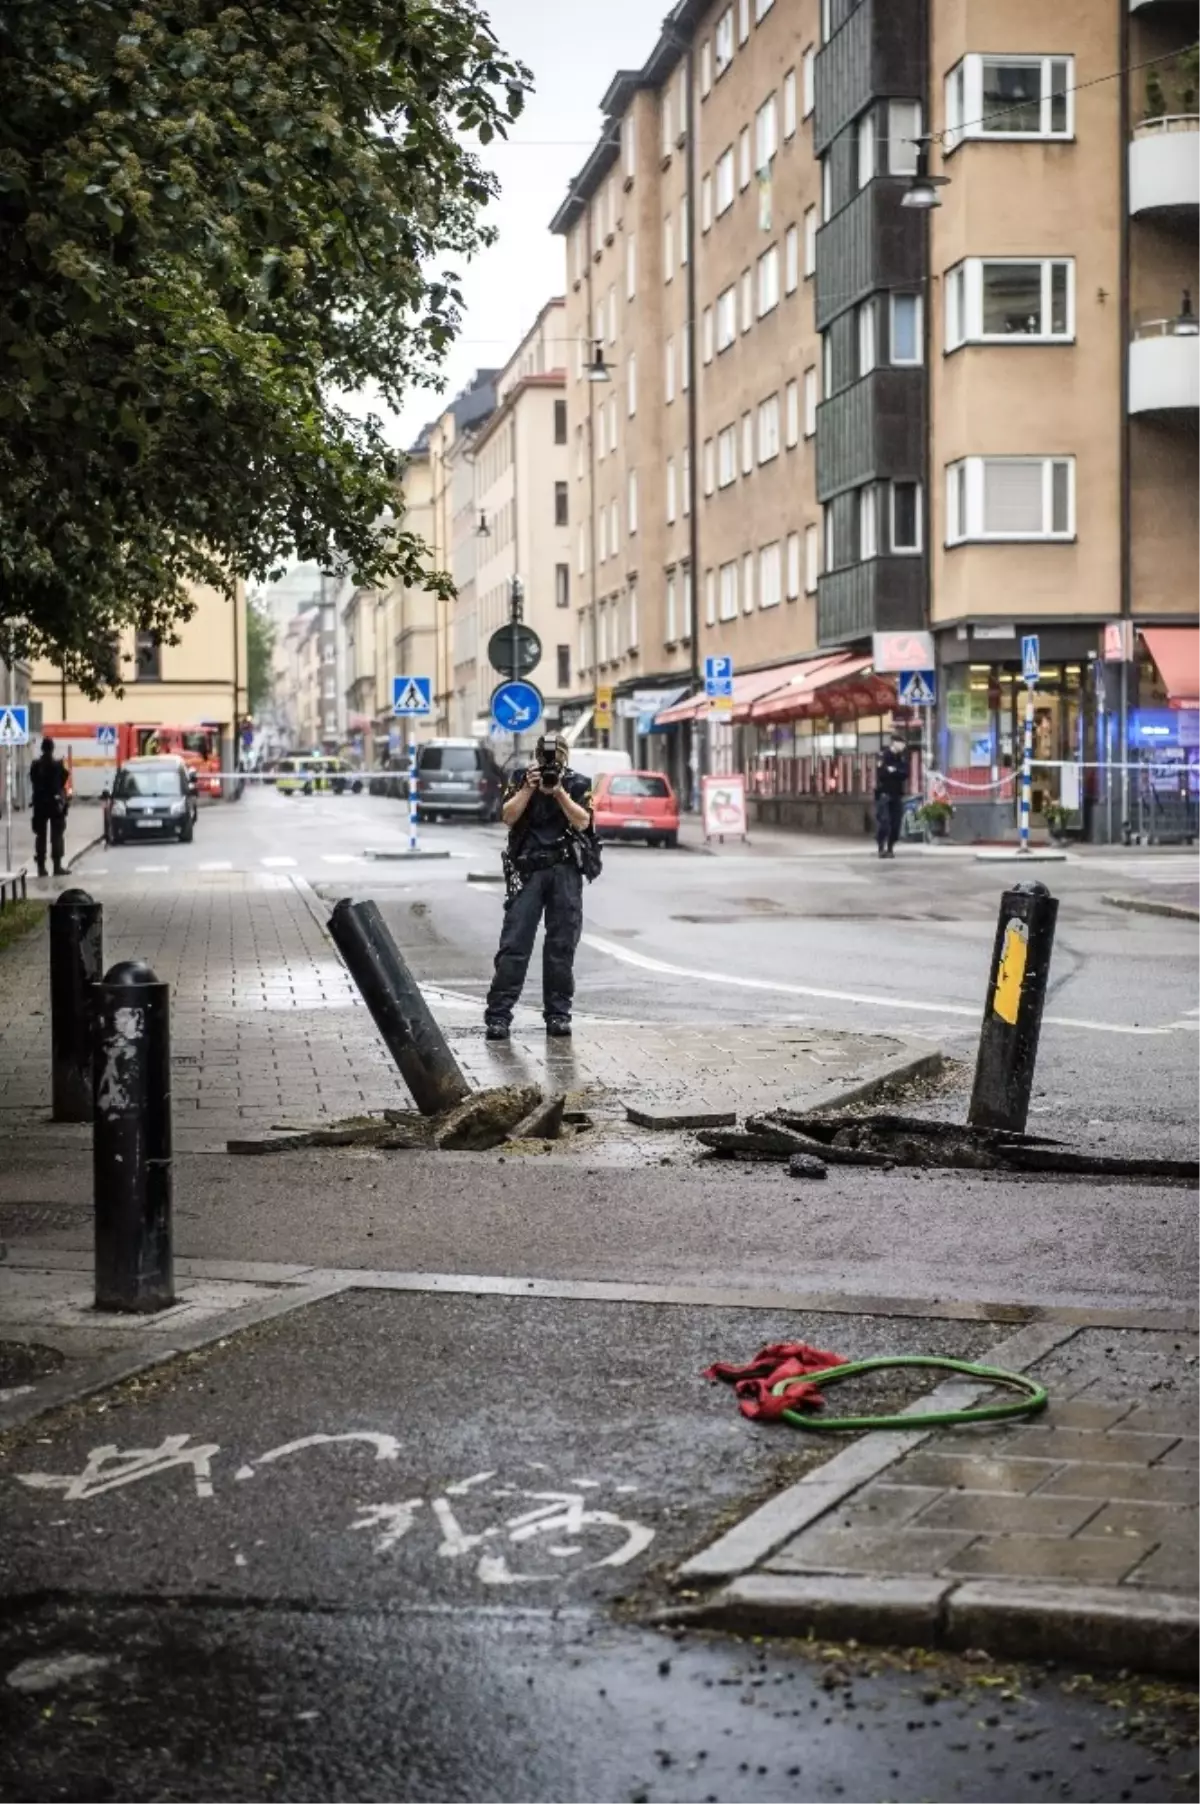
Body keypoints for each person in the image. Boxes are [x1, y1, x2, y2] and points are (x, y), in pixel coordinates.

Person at [484, 733, 595, 1041]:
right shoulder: (521, 779)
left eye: (557, 760)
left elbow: (584, 822)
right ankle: (499, 1016)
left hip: (565, 871)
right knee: (514, 946)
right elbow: (508, 817)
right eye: (547, 759)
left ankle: (558, 1015)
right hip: (529, 870)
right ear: (535, 757)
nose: (551, 765)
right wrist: (529, 789)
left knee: (561, 947)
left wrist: (559, 792)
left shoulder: (578, 783)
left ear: (565, 759)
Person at [30, 736, 70, 877]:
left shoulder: (36, 765)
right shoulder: (57, 766)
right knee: (57, 836)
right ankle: (57, 866)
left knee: (41, 836)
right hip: (54, 804)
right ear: (52, 749)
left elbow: (33, 780)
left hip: (40, 804)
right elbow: (64, 778)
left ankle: (41, 867)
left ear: (42, 749)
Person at [874, 734, 908, 860]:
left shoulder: (901, 757)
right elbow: (882, 773)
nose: (903, 746)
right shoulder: (884, 755)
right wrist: (894, 771)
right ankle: (881, 846)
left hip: (897, 794)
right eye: (901, 743)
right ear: (894, 742)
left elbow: (905, 774)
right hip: (884, 794)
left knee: (896, 823)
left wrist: (894, 770)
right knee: (884, 821)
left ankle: (890, 847)